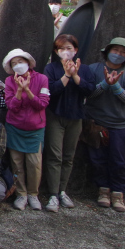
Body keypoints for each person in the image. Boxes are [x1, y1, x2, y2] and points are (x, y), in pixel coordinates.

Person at [85, 37, 125, 212]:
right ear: (107, 52)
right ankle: (103, 190)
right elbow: (89, 94)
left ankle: (118, 192)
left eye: (123, 52)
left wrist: (115, 86)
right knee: (97, 159)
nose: (118, 54)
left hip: (120, 123)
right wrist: (104, 84)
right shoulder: (93, 70)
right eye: (115, 50)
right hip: (96, 121)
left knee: (119, 160)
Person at [42, 34, 95, 212]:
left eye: (69, 48)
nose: (65, 52)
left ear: (76, 50)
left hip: (76, 116)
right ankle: (52, 193)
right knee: (54, 155)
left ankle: (63, 190)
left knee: (68, 156)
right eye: (61, 49)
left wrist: (76, 76)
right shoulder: (51, 68)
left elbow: (89, 90)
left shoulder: (85, 69)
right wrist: (66, 76)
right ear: (56, 52)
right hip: (55, 115)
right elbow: (51, 90)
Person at [3, 48, 50, 211]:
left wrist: (28, 90)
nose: (18, 65)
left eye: (20, 62)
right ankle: (21, 193)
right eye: (14, 63)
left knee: (34, 163)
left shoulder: (42, 79)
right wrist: (19, 90)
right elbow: (11, 106)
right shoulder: (9, 81)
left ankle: (33, 194)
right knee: (16, 162)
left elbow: (42, 104)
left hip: (35, 128)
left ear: (28, 63)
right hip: (15, 126)